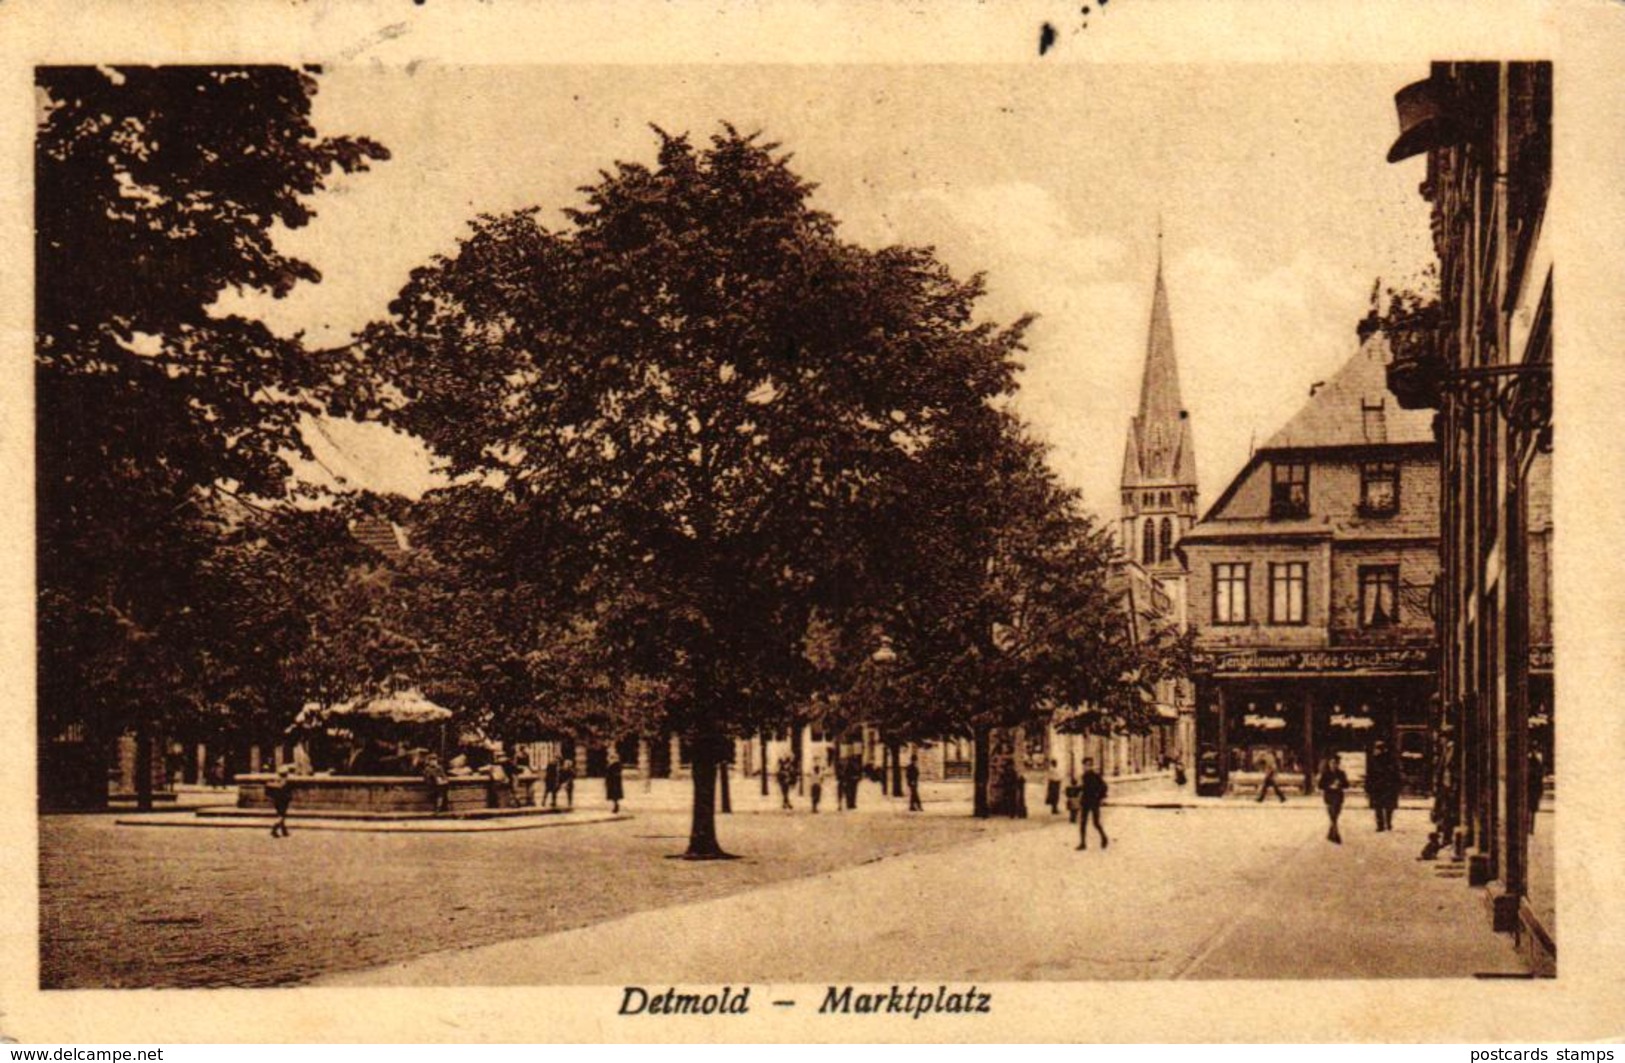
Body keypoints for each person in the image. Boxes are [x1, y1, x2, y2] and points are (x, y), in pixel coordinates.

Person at [1365, 740, 1401, 832]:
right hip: (1383, 787)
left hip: (1383, 787)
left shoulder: (1376, 760)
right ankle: (1385, 824)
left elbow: (1370, 775)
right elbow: (1370, 775)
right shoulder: (1380, 760)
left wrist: (1368, 786)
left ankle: (1383, 825)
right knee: (1384, 807)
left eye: (1377, 749)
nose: (1375, 751)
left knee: (1381, 807)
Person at [1075, 758, 1108, 850]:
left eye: (1088, 765)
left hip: (1094, 802)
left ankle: (1104, 838)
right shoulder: (1084, 776)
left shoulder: (1096, 776)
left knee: (1096, 823)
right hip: (1085, 801)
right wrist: (1077, 790)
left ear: (1091, 766)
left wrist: (1100, 797)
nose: (1086, 767)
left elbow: (1104, 787)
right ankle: (1083, 843)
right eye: (1085, 765)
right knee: (1083, 822)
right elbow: (1084, 788)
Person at [1318, 754, 1349, 844]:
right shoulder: (1325, 774)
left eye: (1335, 763)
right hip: (1329, 796)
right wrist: (1329, 786)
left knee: (1335, 815)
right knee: (1332, 814)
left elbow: (1346, 785)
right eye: (1332, 763)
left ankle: (1331, 833)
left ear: (1338, 764)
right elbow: (1320, 785)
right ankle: (1336, 835)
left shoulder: (1341, 773)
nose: (1333, 765)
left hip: (1338, 796)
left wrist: (1340, 784)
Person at [266, 764, 296, 838]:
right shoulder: (285, 780)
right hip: (283, 800)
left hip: (276, 799)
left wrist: (269, 784)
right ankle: (274, 829)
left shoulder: (276, 780)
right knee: (282, 815)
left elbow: (273, 786)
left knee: (281, 814)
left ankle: (284, 831)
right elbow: (281, 786)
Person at [1526, 749, 1545, 834]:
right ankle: (1530, 828)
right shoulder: (1537, 763)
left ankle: (1530, 828)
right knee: (1531, 810)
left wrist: (1540, 791)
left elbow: (1540, 778)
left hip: (1532, 789)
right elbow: (1540, 778)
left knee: (1530, 810)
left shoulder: (1530, 762)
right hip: (1533, 790)